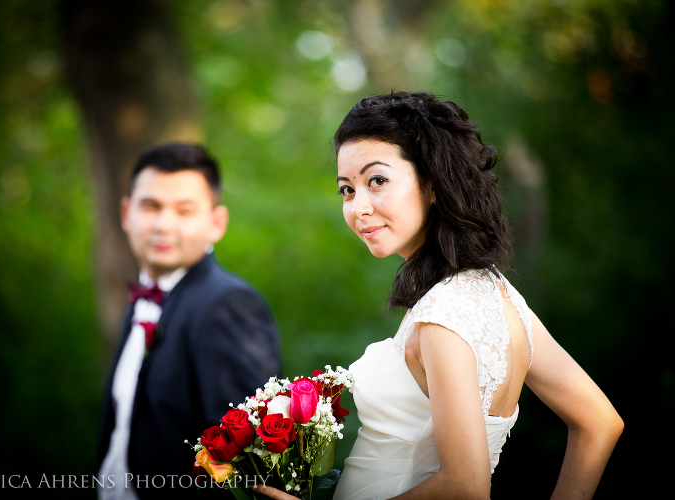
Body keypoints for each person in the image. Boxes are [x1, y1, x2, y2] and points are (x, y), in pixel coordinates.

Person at [255, 92, 622, 499]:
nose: (358, 207)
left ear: (432, 182)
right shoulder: (497, 293)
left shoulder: (444, 313)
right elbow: (600, 422)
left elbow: (465, 486)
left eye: (377, 180)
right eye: (347, 189)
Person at [97, 142, 282, 500]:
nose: (163, 225)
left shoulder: (229, 304)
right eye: (150, 207)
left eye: (184, 211)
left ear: (217, 223)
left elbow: (248, 458)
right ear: (125, 213)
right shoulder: (142, 299)